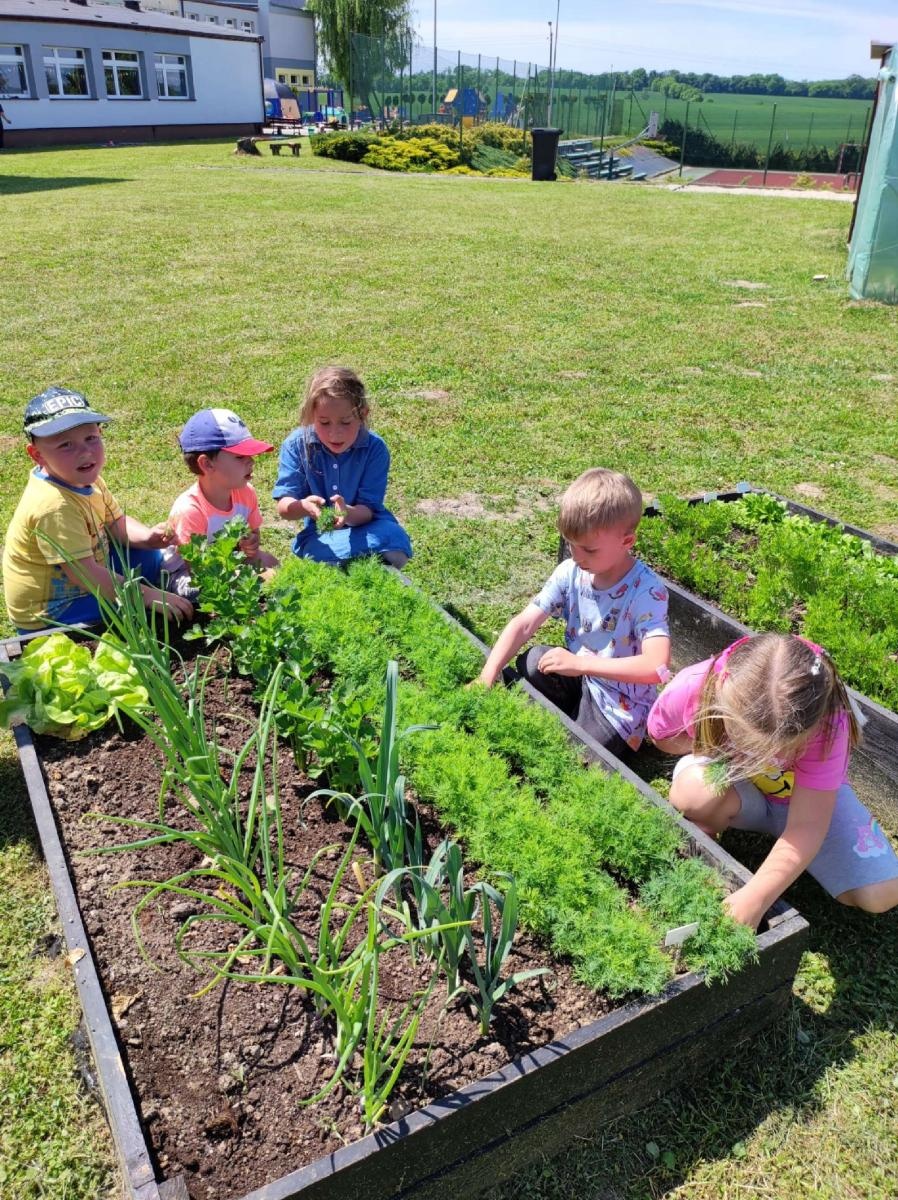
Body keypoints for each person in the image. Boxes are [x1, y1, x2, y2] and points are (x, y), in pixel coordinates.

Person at [648, 633, 898, 927]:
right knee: (695, 792)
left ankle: (791, 848)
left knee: (881, 893)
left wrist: (755, 898)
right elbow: (661, 736)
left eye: (781, 749)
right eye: (746, 740)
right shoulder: (695, 686)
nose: (760, 755)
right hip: (741, 789)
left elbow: (807, 825)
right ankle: (717, 820)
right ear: (722, 691)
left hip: (803, 801)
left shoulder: (829, 722)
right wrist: (716, 751)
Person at [475, 468, 671, 758]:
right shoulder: (571, 572)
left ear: (626, 542)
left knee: (575, 757)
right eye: (570, 544)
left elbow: (656, 667)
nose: (577, 556)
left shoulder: (646, 591)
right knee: (534, 662)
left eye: (589, 550)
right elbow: (526, 623)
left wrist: (581, 664)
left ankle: (582, 732)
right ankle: (572, 714)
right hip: (581, 677)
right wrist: (487, 675)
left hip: (617, 706)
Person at [3, 386, 193, 633]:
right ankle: (163, 589)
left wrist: (147, 537)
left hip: (88, 566)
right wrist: (147, 596)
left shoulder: (85, 477)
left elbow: (115, 523)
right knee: (135, 611)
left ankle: (166, 582)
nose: (85, 452)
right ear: (37, 454)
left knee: (149, 554)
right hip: (54, 611)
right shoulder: (53, 505)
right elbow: (85, 574)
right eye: (65, 445)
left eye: (91, 438)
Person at [273, 366, 412, 568]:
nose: (334, 434)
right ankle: (355, 563)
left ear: (362, 415)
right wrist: (303, 506)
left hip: (369, 528)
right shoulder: (296, 445)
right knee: (315, 551)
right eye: (324, 422)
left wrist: (346, 512)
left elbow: (368, 509)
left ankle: (347, 563)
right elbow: (284, 507)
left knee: (395, 540)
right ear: (312, 415)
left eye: (346, 422)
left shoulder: (375, 448)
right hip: (323, 535)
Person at [164, 408, 280, 598]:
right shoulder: (191, 510)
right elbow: (197, 568)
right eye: (240, 457)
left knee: (272, 563)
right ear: (207, 464)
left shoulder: (245, 492)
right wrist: (244, 574)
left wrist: (251, 542)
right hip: (186, 574)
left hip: (229, 561)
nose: (251, 461)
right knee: (206, 590)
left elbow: (252, 533)